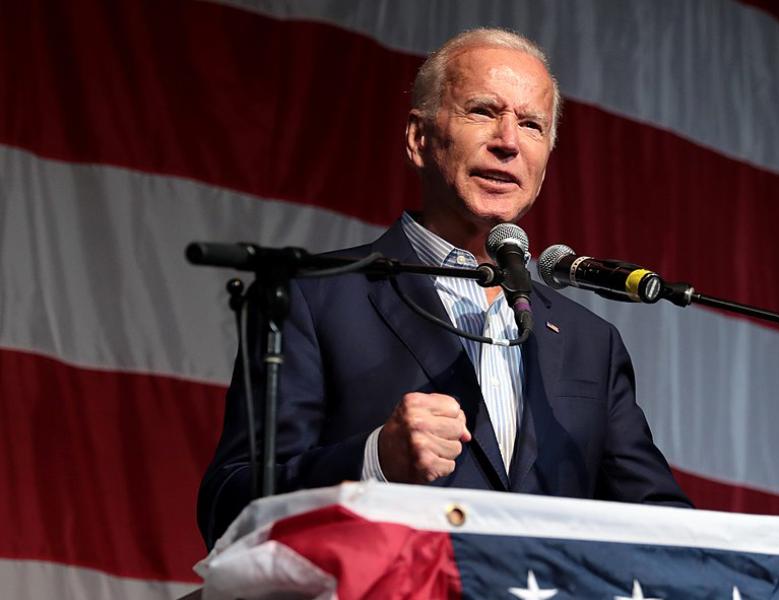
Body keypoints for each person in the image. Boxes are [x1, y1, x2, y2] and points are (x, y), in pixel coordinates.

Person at [197, 28, 691, 548]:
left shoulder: (590, 342)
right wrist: (375, 460)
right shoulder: (314, 296)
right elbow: (229, 511)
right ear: (419, 139)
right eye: (482, 111)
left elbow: (663, 524)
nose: (507, 141)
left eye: (531, 125)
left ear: (544, 164)